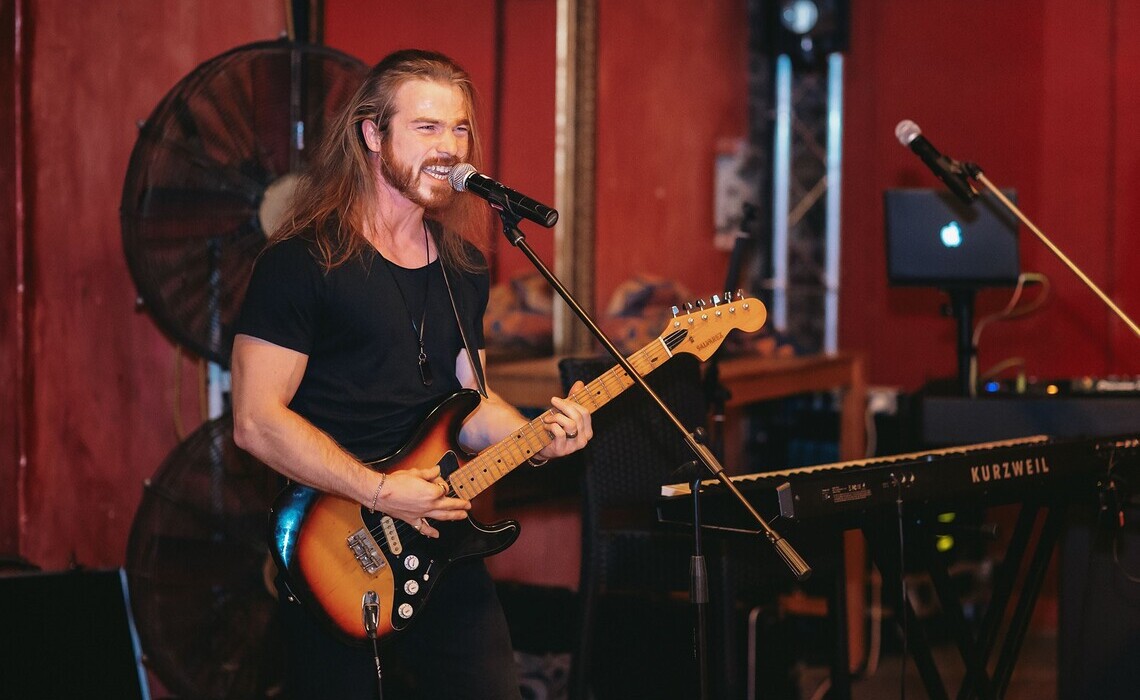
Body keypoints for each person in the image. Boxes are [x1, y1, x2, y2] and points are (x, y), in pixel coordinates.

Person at [231, 49, 593, 700]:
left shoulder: (463, 266)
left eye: (459, 129)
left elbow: (471, 403)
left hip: (444, 540)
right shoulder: (301, 263)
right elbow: (256, 422)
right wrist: (378, 490)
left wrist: (539, 437)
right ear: (372, 134)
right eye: (426, 128)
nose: (449, 147)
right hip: (340, 546)